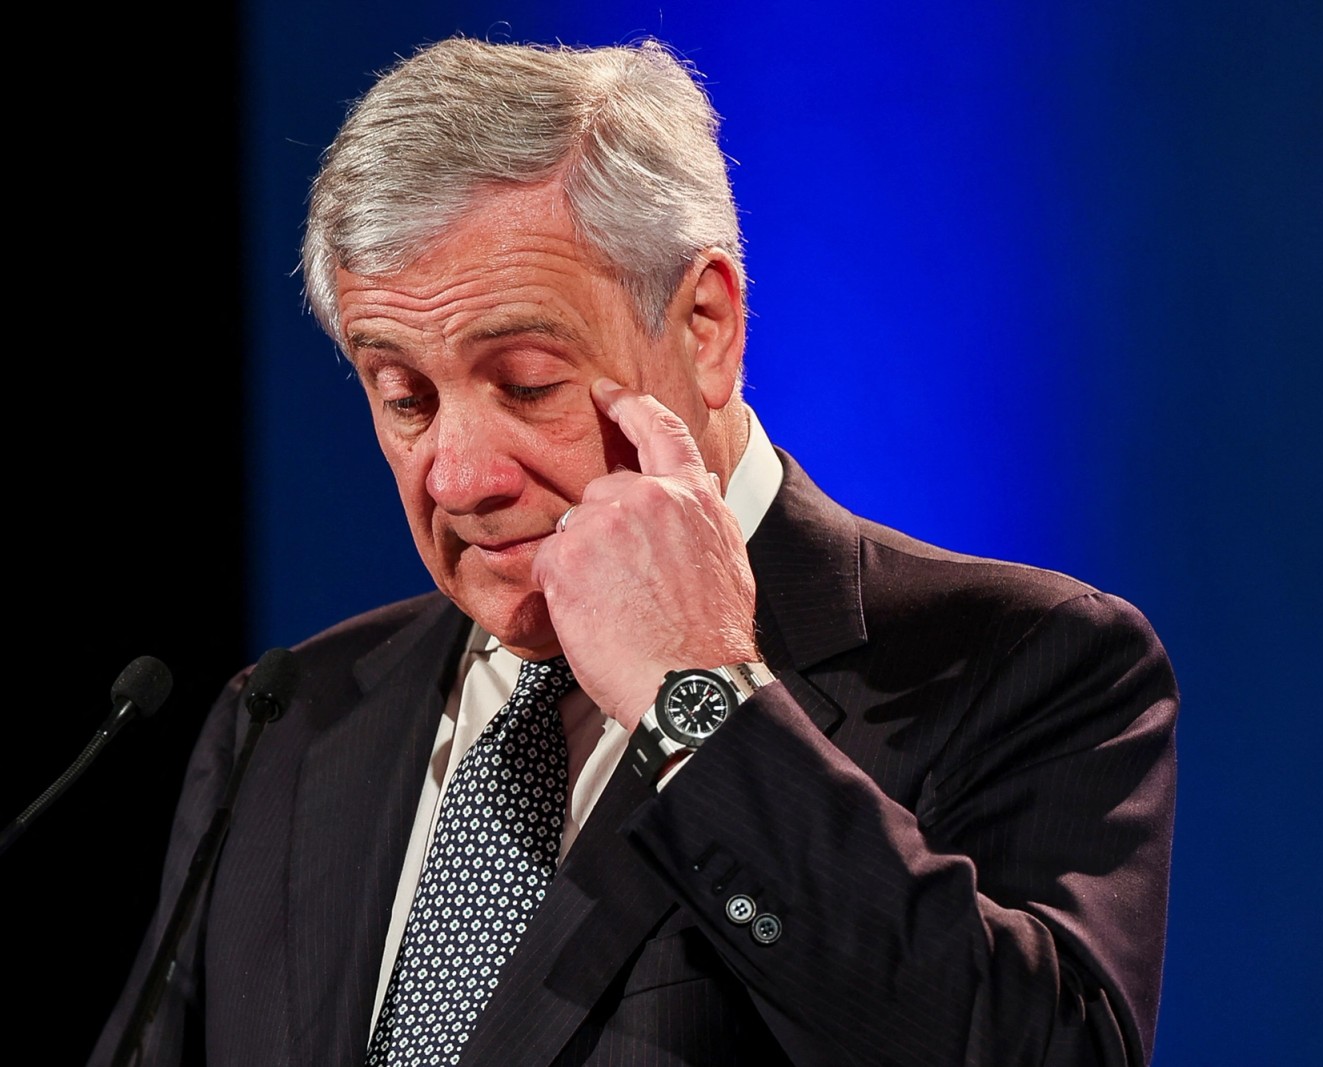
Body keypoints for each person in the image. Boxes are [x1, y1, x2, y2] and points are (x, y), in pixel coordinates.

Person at [91, 35, 1178, 1067]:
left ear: (705, 326)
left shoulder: (1022, 662)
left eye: (528, 384)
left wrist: (699, 692)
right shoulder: (284, 721)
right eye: (405, 396)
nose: (460, 477)